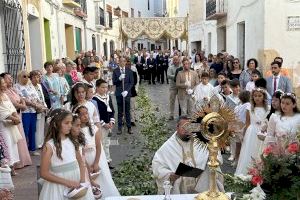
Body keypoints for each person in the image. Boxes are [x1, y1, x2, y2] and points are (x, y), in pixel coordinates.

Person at [152, 116, 223, 194]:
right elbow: (157, 166)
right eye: (184, 127)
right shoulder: (168, 147)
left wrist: (212, 161)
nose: (187, 130)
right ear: (177, 127)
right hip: (180, 189)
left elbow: (216, 153)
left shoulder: (202, 141)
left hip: (202, 186)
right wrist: (169, 175)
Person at [39, 109, 93, 200]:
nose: (70, 126)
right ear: (56, 124)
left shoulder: (72, 141)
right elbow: (44, 173)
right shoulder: (49, 146)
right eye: (66, 123)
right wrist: (67, 182)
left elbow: (80, 163)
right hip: (58, 186)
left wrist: (82, 181)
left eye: (71, 123)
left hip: (76, 181)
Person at [75, 106, 120, 198]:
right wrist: (87, 165)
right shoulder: (76, 132)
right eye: (82, 114)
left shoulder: (94, 128)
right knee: (89, 179)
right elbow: (80, 152)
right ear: (77, 116)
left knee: (102, 177)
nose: (85, 116)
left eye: (86, 113)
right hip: (84, 159)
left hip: (96, 156)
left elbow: (99, 147)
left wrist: (96, 163)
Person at [235, 88, 270, 175]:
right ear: (252, 97)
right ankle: (246, 173)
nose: (257, 98)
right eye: (255, 96)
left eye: (259, 96)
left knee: (260, 151)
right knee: (249, 151)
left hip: (262, 133)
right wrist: (243, 135)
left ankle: (258, 173)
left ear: (263, 97)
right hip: (251, 132)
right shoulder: (249, 108)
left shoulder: (268, 109)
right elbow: (247, 123)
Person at [1, 72, 32, 169]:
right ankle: (9, 166)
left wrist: (15, 114)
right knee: (8, 144)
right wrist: (13, 117)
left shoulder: (8, 92)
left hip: (15, 119)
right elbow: (5, 109)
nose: (7, 82)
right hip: (5, 122)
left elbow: (13, 105)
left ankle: (15, 164)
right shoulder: (5, 93)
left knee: (15, 142)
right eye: (4, 82)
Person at [15, 70, 43, 156]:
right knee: (25, 130)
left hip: (33, 111)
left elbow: (36, 96)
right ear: (19, 77)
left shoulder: (30, 86)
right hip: (25, 112)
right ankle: (25, 150)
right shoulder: (16, 87)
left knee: (32, 130)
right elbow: (22, 99)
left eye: (27, 76)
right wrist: (34, 104)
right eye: (24, 76)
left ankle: (32, 149)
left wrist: (39, 105)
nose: (27, 78)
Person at [0, 77, 22, 174]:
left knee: (13, 144)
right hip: (3, 124)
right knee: (6, 144)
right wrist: (14, 118)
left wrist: (15, 116)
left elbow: (11, 108)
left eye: (5, 82)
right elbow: (2, 112)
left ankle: (12, 166)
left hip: (11, 123)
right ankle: (7, 166)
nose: (5, 84)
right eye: (3, 83)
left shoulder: (5, 94)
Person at [92, 79, 115, 169]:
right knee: (101, 143)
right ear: (97, 88)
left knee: (107, 143)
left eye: (106, 87)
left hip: (109, 124)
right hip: (101, 125)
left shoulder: (108, 97)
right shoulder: (95, 99)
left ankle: (108, 160)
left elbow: (112, 109)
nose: (105, 89)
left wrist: (112, 121)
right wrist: (103, 124)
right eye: (102, 87)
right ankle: (101, 162)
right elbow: (97, 114)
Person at [112, 57, 134, 135]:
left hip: (126, 94)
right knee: (120, 112)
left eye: (123, 61)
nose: (122, 63)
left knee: (127, 111)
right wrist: (119, 79)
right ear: (119, 63)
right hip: (119, 93)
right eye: (120, 61)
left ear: (125, 62)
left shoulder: (129, 71)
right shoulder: (115, 71)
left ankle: (129, 127)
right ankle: (119, 128)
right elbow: (114, 82)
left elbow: (131, 82)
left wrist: (127, 91)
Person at [29, 70, 48, 149]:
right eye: (36, 77)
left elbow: (42, 97)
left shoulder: (39, 86)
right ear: (32, 78)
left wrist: (45, 106)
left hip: (42, 107)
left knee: (42, 126)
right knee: (37, 127)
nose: (38, 78)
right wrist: (39, 106)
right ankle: (37, 144)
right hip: (36, 108)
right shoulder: (30, 87)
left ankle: (41, 142)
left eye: (39, 76)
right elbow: (33, 98)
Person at [233, 91, 251, 165]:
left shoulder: (238, 106)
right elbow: (248, 118)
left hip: (237, 126)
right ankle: (241, 161)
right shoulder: (248, 105)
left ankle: (236, 160)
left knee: (237, 145)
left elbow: (235, 117)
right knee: (244, 145)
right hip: (244, 127)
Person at [167, 55, 180, 120]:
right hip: (173, 87)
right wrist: (176, 76)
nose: (175, 61)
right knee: (172, 101)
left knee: (181, 101)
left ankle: (181, 114)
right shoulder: (170, 67)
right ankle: (171, 114)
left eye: (176, 60)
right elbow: (168, 75)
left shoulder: (181, 67)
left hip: (180, 87)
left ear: (179, 60)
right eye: (174, 60)